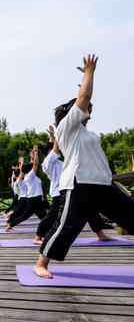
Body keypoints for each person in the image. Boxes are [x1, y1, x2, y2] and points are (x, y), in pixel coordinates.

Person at [35, 54, 134, 278]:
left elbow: (86, 99)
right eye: (80, 106)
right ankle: (41, 263)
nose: (86, 107)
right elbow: (84, 97)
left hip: (103, 184)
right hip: (80, 184)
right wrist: (89, 73)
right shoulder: (65, 129)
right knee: (65, 227)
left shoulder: (86, 132)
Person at [34, 124, 112, 245]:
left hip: (71, 188)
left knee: (90, 209)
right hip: (58, 193)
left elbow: (62, 149)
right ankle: (38, 237)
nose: (58, 149)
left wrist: (53, 135)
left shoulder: (60, 161)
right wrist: (55, 135)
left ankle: (100, 234)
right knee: (53, 215)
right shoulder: (47, 162)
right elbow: (55, 147)